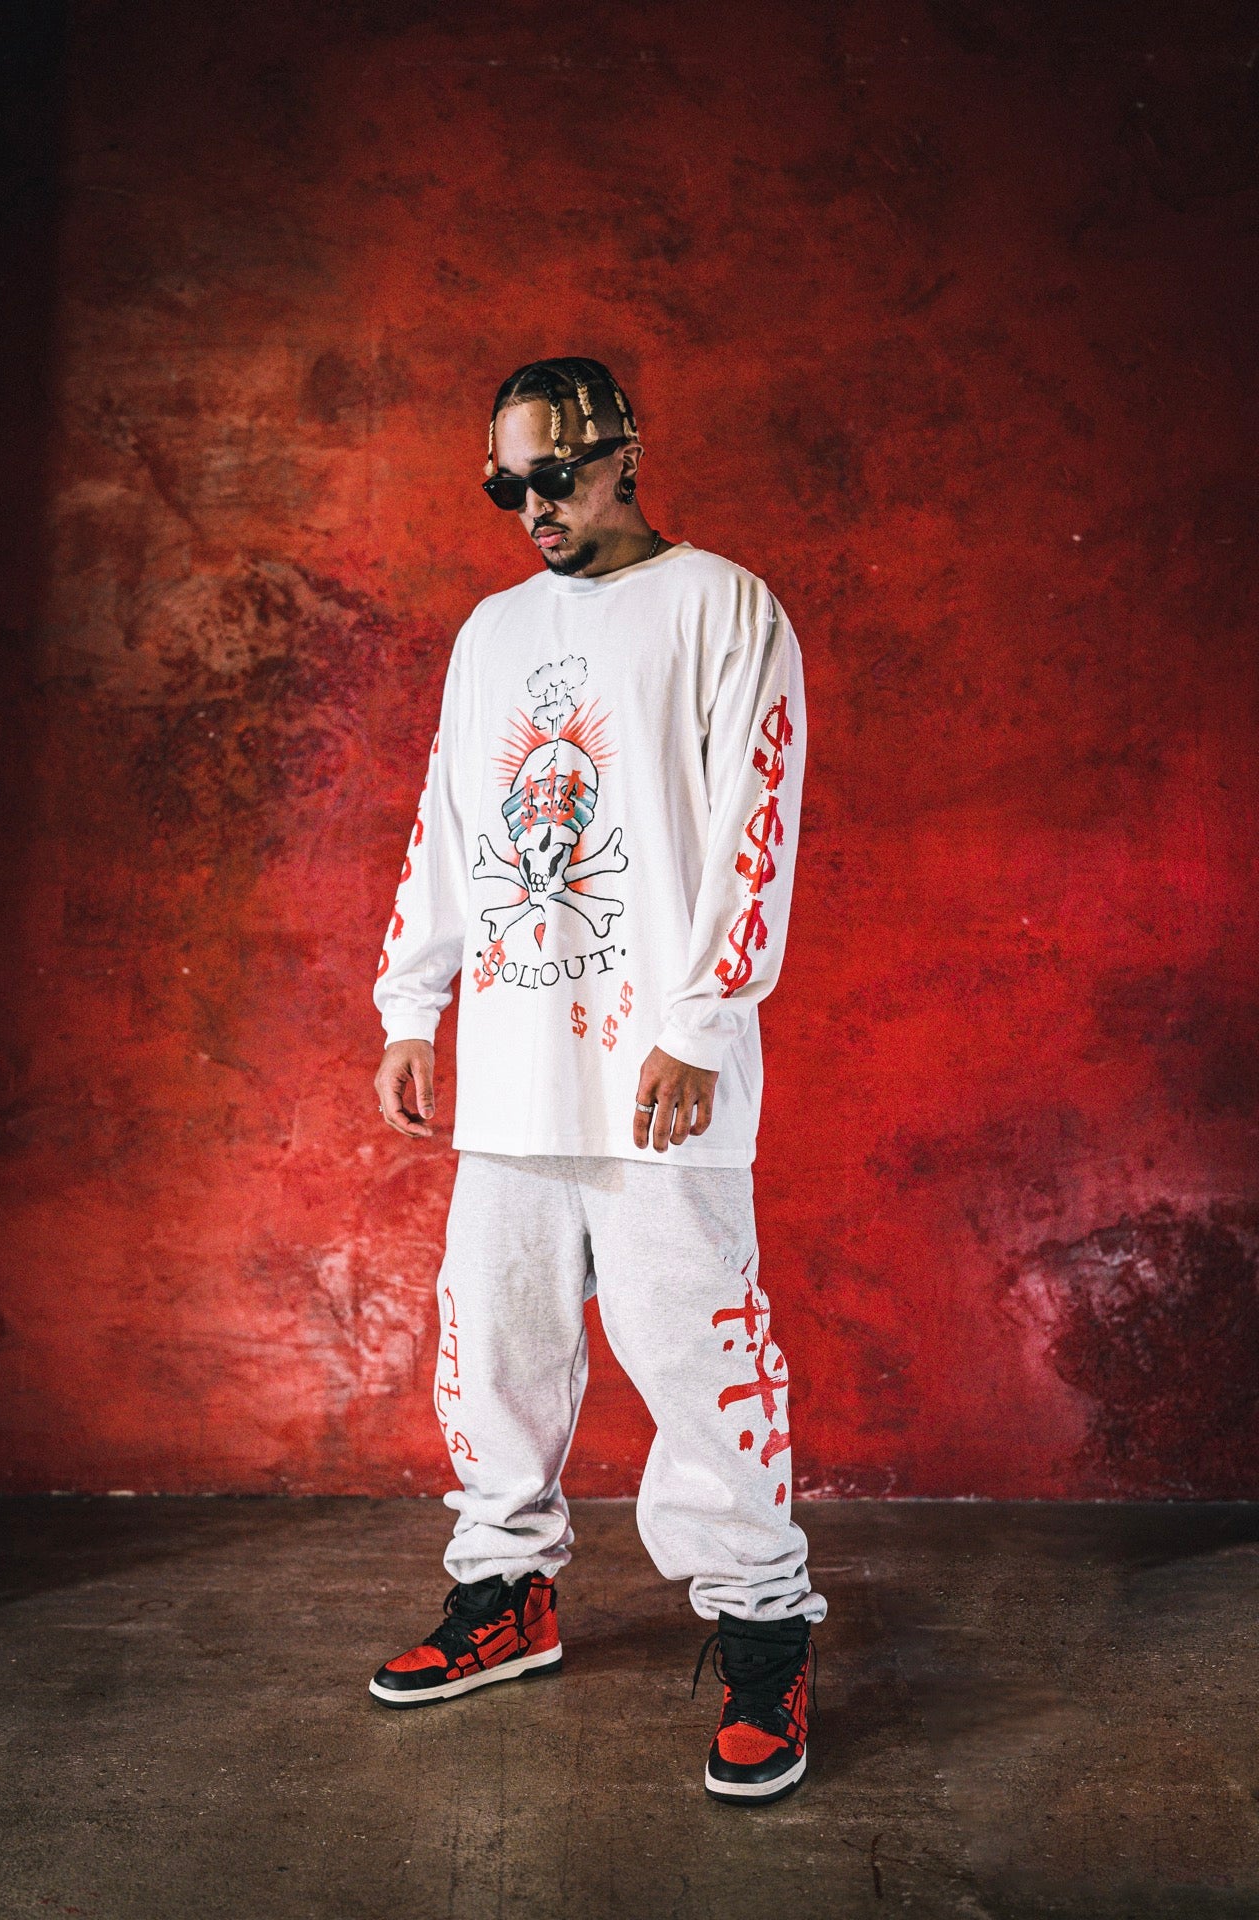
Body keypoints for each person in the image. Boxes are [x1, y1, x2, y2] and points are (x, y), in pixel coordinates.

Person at [367, 356, 825, 1804]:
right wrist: (412, 1003)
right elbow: (449, 819)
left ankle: (764, 1629)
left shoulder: (723, 608)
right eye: (505, 486)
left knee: (693, 1349)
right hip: (515, 1065)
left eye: (552, 477)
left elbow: (757, 823)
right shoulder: (493, 631)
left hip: (656, 1070)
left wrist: (702, 1024)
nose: (532, 509)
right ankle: (507, 1594)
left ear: (623, 456)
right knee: (493, 1344)